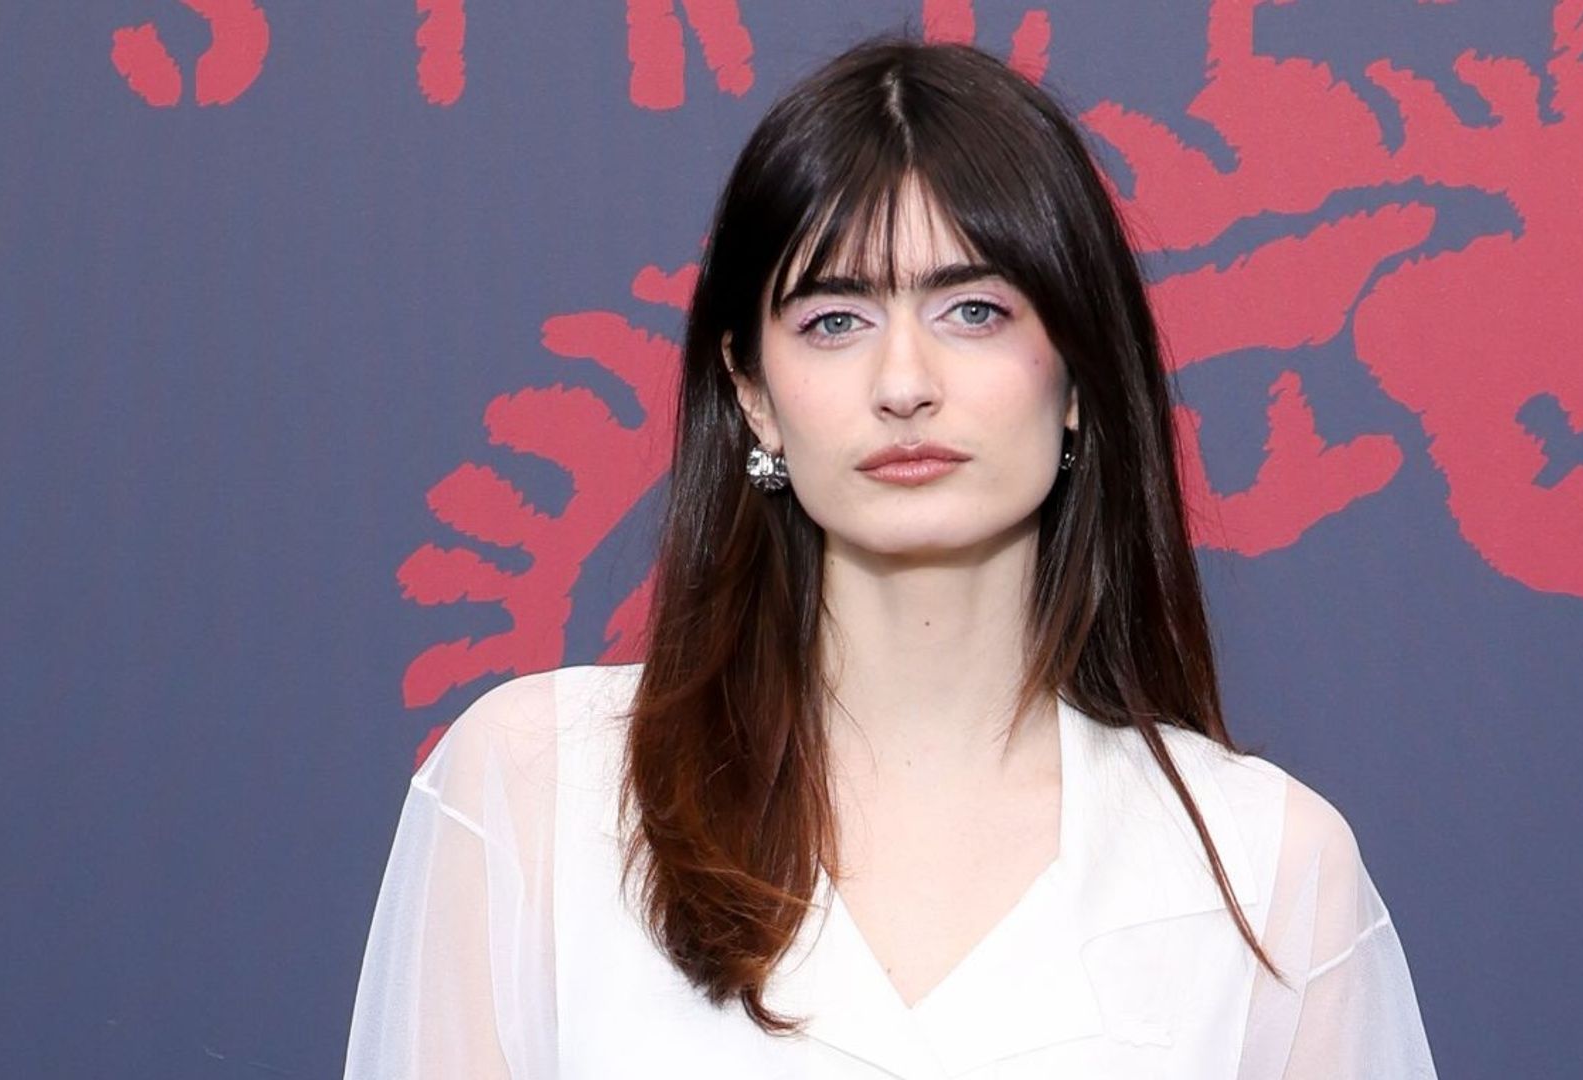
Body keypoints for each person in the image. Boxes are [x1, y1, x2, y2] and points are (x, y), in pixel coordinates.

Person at [345, 35, 1438, 1079]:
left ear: (1077, 375)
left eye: (974, 310)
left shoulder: (1265, 871)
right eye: (835, 320)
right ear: (752, 393)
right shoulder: (535, 787)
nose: (904, 383)